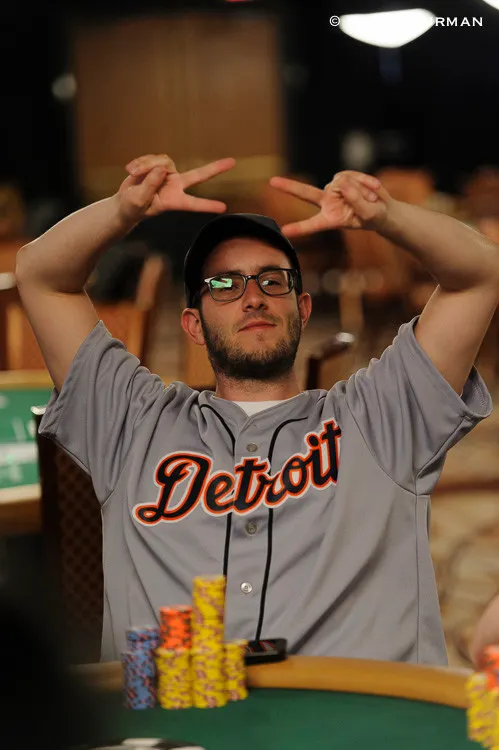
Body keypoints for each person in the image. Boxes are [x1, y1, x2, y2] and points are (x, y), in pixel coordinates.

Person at [15, 153, 498, 666]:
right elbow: (40, 275)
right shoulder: (130, 421)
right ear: (193, 325)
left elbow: (480, 274)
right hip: (176, 714)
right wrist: (121, 211)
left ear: (302, 310)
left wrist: (387, 216)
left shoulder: (382, 414)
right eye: (224, 285)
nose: (252, 298)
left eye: (273, 281)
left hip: (357, 712)